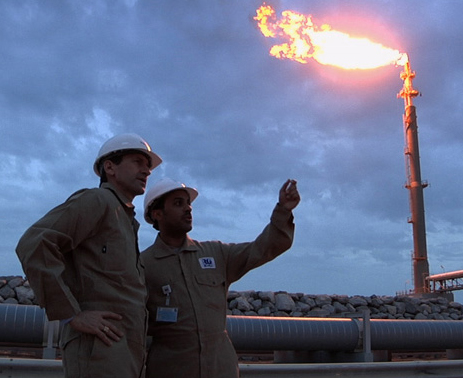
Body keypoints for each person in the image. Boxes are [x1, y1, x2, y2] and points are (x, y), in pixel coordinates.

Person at [15, 133, 162, 378]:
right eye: (138, 162)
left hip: (121, 352)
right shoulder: (98, 200)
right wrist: (71, 315)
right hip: (98, 351)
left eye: (148, 166)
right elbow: (35, 243)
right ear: (110, 167)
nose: (146, 171)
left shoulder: (124, 218)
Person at [140, 177, 300, 378]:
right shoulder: (143, 264)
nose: (188, 209)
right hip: (171, 369)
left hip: (221, 368)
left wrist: (283, 210)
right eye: (178, 204)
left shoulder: (216, 253)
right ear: (157, 214)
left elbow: (262, 249)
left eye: (188, 203)